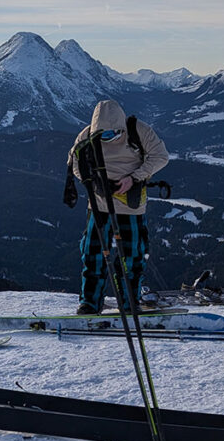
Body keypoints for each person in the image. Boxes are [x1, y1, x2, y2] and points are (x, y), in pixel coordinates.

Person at [66, 99, 169, 315]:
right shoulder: (87, 136)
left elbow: (161, 157)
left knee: (131, 256)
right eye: (102, 135)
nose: (107, 139)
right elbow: (75, 161)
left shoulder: (138, 131)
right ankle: (90, 303)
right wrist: (94, 183)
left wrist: (134, 178)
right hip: (99, 204)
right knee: (92, 252)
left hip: (130, 204)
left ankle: (129, 301)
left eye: (112, 134)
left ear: (121, 127)